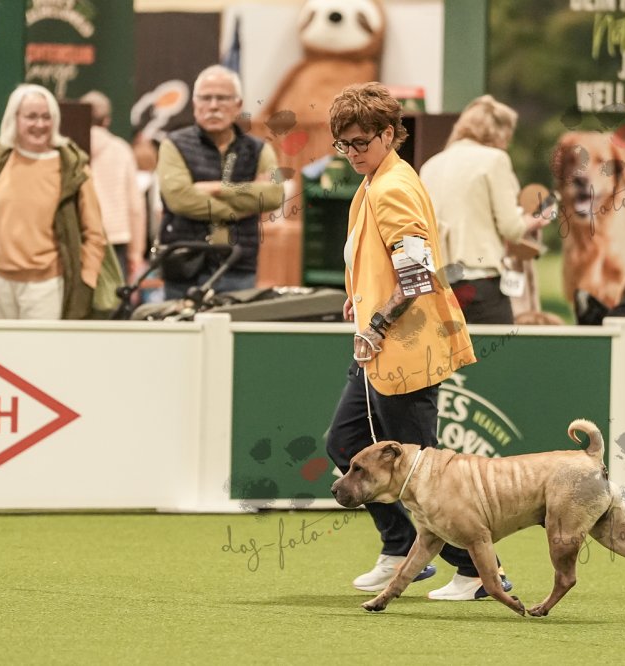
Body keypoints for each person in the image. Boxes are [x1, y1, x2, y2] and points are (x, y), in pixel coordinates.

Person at [324, 82, 511, 601]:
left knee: (426, 477)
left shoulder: (393, 187)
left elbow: (417, 273)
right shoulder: (376, 180)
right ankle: (400, 548)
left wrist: (377, 323)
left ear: (388, 134)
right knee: (344, 443)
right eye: (343, 144)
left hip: (403, 348)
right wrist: (361, 299)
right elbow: (386, 264)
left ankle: (480, 572)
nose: (351, 153)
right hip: (382, 348)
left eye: (360, 142)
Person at [0, 84, 108, 320]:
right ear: (15, 118)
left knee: (41, 346)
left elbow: (94, 233)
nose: (40, 124)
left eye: (46, 116)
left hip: (47, 287)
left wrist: (87, 278)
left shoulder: (73, 169)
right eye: (31, 116)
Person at [418, 95, 551, 324]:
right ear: (499, 132)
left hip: (439, 284)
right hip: (481, 283)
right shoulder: (495, 160)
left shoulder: (430, 165)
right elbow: (511, 228)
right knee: (496, 348)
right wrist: (534, 220)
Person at [156, 65, 284, 300]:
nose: (213, 106)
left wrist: (216, 188)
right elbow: (179, 198)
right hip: (184, 267)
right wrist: (242, 206)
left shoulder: (260, 149)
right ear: (194, 103)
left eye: (222, 98)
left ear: (238, 104)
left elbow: (275, 195)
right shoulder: (173, 145)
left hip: (238, 266)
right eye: (206, 98)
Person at [79, 90, 147, 283]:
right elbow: (135, 206)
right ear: (107, 120)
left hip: (80, 235)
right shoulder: (121, 150)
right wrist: (136, 252)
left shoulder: (70, 149)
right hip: (116, 236)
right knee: (115, 297)